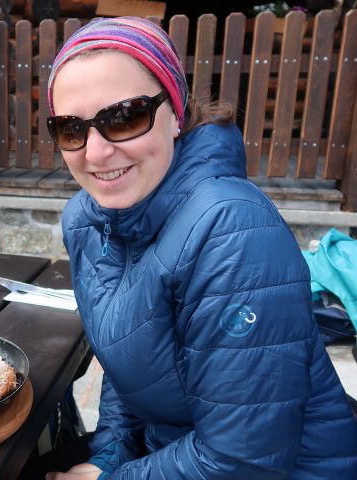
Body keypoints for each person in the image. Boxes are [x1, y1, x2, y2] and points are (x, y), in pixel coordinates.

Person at [42, 16, 357, 480]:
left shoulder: (232, 230)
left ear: (176, 114)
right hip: (169, 454)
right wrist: (106, 455)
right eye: (71, 129)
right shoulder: (88, 219)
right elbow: (130, 362)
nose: (95, 153)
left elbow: (244, 458)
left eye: (125, 117)